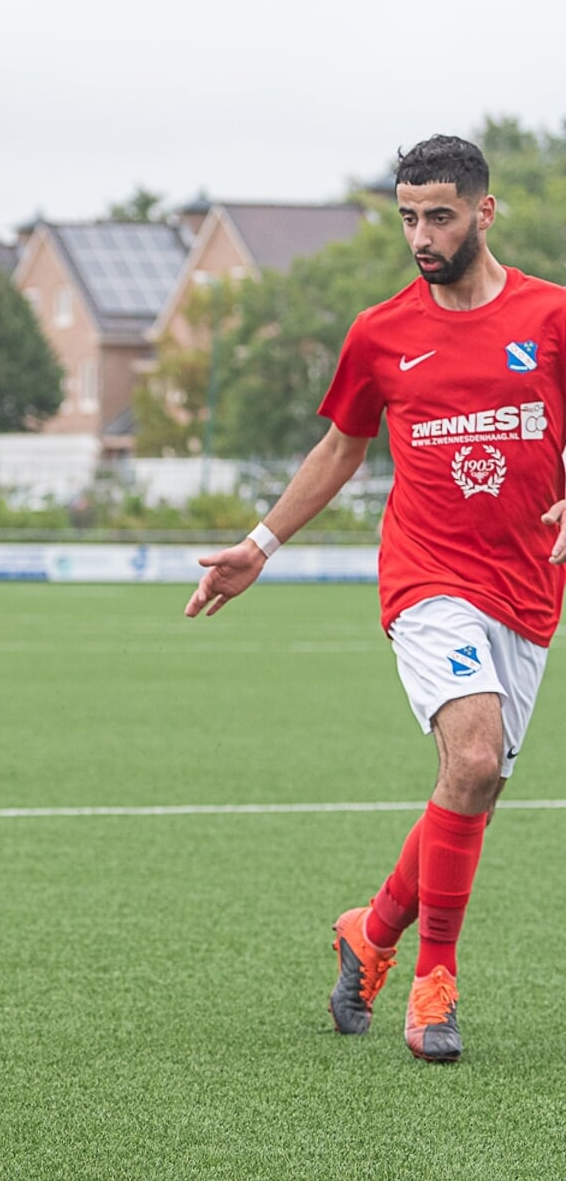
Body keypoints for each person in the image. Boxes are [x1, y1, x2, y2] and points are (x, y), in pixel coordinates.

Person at [185, 135, 566, 1064]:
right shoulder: (381, 332)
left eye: (438, 216)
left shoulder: (552, 318)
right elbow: (340, 448)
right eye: (408, 218)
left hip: (527, 587)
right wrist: (259, 544)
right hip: (428, 578)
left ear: (484, 212)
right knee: (473, 762)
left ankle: (372, 930)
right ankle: (434, 987)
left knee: (469, 790)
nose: (421, 236)